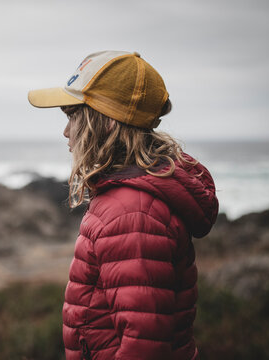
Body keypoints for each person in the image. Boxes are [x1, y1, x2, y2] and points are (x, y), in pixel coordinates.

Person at [28, 51, 219, 360]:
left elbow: (144, 346)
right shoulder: (124, 195)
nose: (66, 132)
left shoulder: (132, 212)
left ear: (104, 124)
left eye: (73, 116)